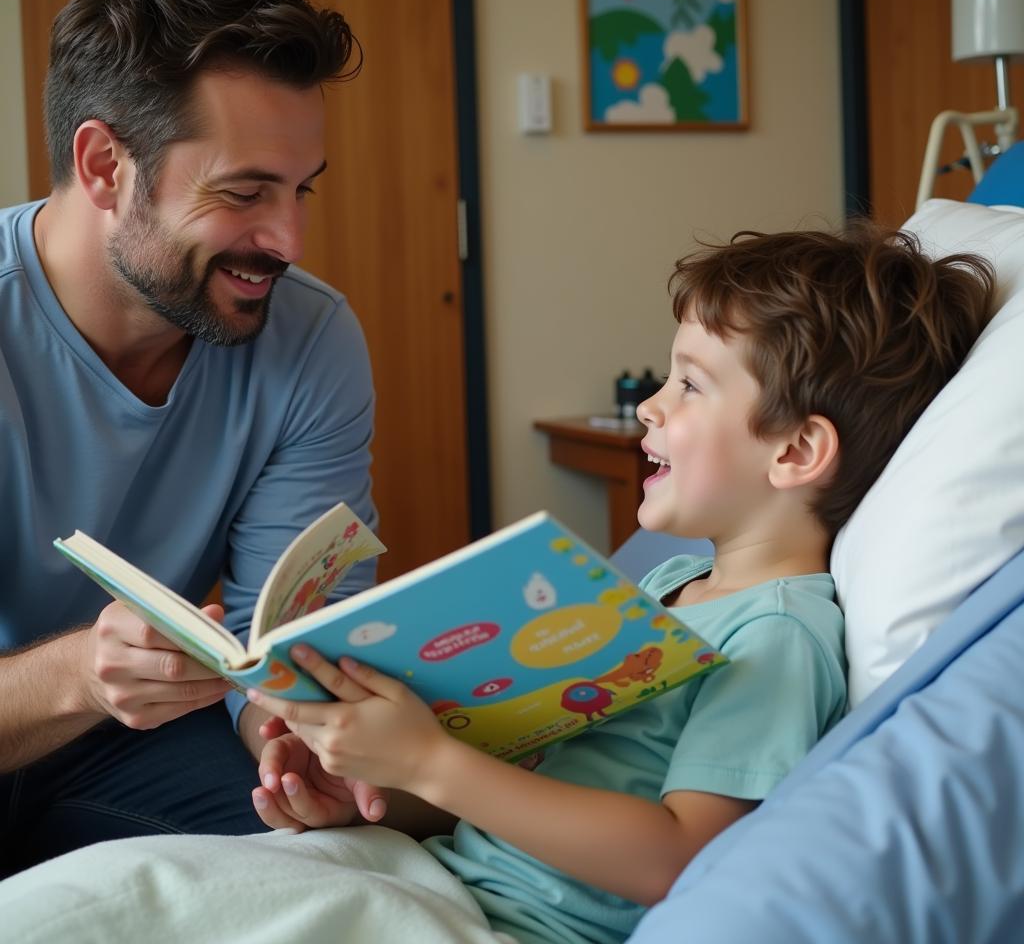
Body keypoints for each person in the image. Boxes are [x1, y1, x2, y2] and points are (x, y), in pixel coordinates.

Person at [240, 223, 994, 944]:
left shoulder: (777, 637)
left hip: (519, 924)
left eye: (692, 386)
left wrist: (431, 764)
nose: (651, 405)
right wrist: (377, 791)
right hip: (451, 875)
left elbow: (683, 858)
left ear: (796, 450)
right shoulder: (673, 581)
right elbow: (530, 787)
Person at [0, 0, 380, 875]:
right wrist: (82, 673)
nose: (287, 240)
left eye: (301, 191)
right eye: (244, 193)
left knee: (349, 870)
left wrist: (280, 733)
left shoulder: (312, 341)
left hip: (144, 750)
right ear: (103, 166)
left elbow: (285, 648)